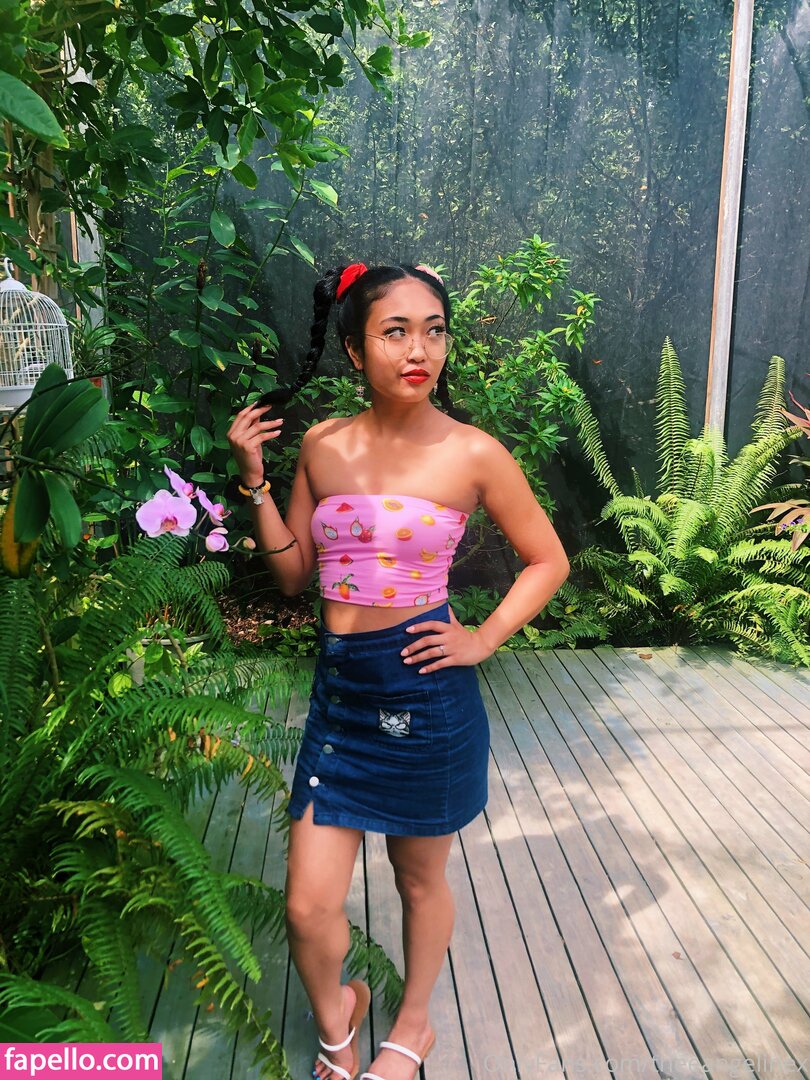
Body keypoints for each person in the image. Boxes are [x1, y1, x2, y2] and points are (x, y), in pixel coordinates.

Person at [226, 262, 570, 1080]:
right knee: (307, 905)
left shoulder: (474, 453)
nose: (420, 350)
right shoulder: (323, 445)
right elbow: (293, 574)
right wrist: (255, 485)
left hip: (425, 690)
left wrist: (483, 638)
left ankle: (414, 1025)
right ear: (355, 350)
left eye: (435, 330)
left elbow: (548, 559)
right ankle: (338, 1021)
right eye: (396, 332)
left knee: (418, 881)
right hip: (342, 694)